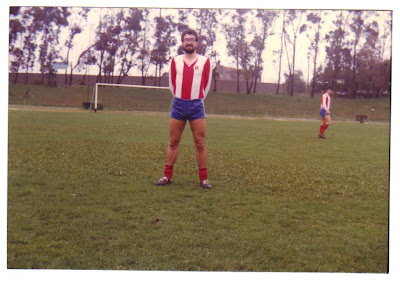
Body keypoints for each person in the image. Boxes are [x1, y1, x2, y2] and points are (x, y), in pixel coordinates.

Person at [155, 29, 213, 189]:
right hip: (179, 104)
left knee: (200, 142)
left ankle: (204, 178)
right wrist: (180, 98)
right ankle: (167, 176)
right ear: (182, 42)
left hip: (196, 105)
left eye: (192, 39)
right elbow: (172, 84)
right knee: (173, 141)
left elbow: (206, 84)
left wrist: (197, 98)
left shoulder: (205, 61)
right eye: (186, 39)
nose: (189, 42)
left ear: (197, 43)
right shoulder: (175, 61)